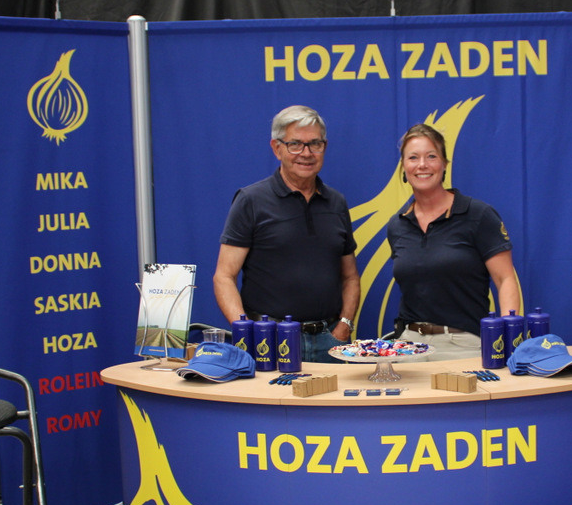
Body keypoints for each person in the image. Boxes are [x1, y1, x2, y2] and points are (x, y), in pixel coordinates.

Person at [214, 105, 359, 363]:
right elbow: (224, 276)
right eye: (295, 144)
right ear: (276, 148)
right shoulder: (251, 201)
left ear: (324, 147)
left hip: (331, 342)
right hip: (270, 343)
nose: (306, 153)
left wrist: (344, 325)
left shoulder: (336, 203)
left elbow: (350, 276)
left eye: (315, 144)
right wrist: (248, 333)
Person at [385, 123, 520, 360]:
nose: (422, 165)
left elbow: (505, 279)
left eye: (431, 156)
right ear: (403, 166)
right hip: (408, 346)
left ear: (445, 164)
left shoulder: (478, 215)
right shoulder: (397, 225)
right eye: (413, 157)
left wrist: (509, 339)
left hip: (464, 345)